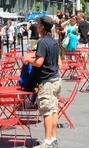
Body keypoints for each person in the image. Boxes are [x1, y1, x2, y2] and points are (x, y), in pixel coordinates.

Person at [22, 16, 61, 148]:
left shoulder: (43, 42)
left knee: (47, 111)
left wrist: (28, 59)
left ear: (42, 27)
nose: (36, 25)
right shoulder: (54, 41)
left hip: (47, 81)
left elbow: (39, 62)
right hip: (56, 78)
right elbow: (57, 61)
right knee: (54, 109)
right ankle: (53, 138)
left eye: (38, 24)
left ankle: (47, 141)